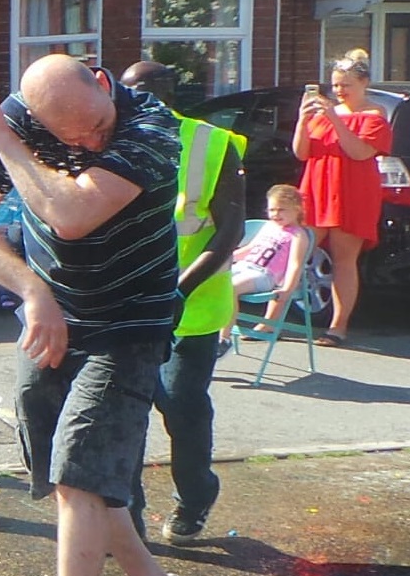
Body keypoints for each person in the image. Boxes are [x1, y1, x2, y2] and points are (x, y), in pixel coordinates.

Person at [0, 54, 189, 576]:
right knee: (63, 468)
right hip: (55, 315)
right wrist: (31, 290)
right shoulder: (23, 117)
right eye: (71, 136)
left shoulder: (151, 127)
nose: (86, 143)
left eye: (93, 129)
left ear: (103, 84)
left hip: (131, 323)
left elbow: (70, 214)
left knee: (81, 468)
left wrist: (2, 135)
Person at [120, 60, 247, 545]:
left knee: (179, 403)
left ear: (162, 93)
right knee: (124, 411)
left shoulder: (213, 144)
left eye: (136, 93)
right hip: (129, 308)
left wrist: (178, 290)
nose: (127, 103)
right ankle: (127, 515)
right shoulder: (115, 142)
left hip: (190, 307)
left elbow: (230, 230)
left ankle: (195, 496)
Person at [292, 48, 391, 347]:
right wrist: (301, 120)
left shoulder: (375, 115)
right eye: (335, 85)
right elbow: (301, 152)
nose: (338, 91)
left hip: (353, 192)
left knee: (344, 260)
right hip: (316, 189)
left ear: (364, 83)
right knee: (295, 254)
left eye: (345, 85)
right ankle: (272, 317)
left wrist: (335, 119)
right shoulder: (323, 114)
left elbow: (359, 152)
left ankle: (338, 326)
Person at [231, 184, 309, 333]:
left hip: (264, 274)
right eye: (272, 209)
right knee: (215, 281)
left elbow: (295, 265)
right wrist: (226, 258)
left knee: (231, 287)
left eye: (281, 210)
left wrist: (287, 289)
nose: (275, 214)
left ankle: (225, 333)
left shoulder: (298, 235)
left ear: (297, 209)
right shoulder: (269, 226)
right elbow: (250, 249)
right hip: (244, 266)